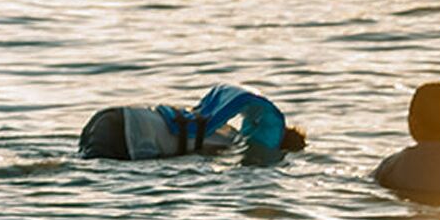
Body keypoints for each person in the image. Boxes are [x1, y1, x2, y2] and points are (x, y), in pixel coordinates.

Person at [79, 82, 307, 166]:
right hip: (128, 134)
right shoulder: (228, 146)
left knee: (81, 163)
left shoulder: (222, 130)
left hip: (109, 117)